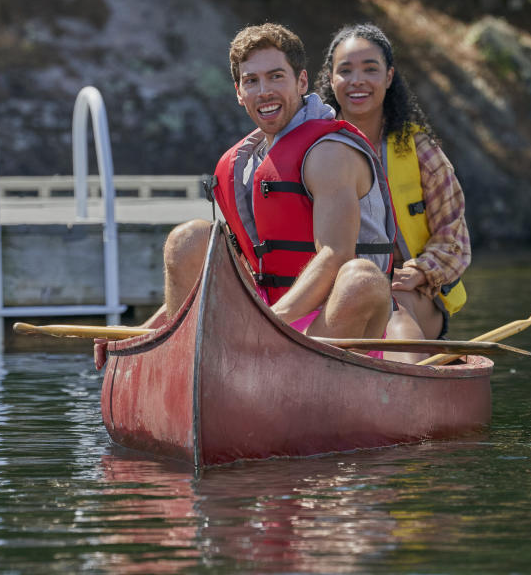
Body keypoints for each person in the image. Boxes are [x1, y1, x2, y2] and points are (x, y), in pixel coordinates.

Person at [146, 23, 397, 344]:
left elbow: (336, 255)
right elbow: (235, 264)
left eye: (276, 76)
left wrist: (269, 323)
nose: (264, 91)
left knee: (360, 279)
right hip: (268, 314)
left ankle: (293, 365)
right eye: (251, 81)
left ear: (301, 81)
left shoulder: (330, 152)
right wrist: (144, 334)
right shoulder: (247, 162)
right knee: (189, 238)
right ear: (239, 92)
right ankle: (174, 349)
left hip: (332, 320)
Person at [314, 23, 471, 344]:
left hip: (408, 289)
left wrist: (421, 271)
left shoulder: (421, 150)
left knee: (395, 315)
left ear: (388, 77)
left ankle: (407, 387)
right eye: (345, 71)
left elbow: (453, 235)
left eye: (370, 69)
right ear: (331, 79)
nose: (357, 81)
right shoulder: (312, 150)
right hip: (336, 289)